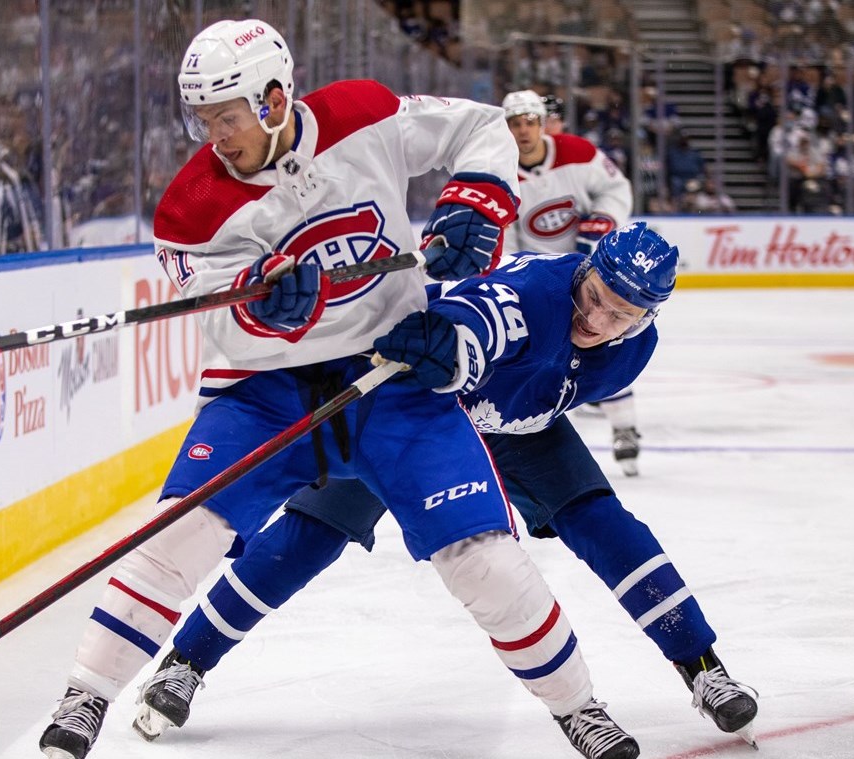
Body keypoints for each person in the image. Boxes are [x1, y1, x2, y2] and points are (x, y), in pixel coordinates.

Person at [38, 18, 638, 759]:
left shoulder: (362, 114)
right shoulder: (189, 209)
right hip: (265, 388)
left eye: (227, 115)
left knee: (483, 555)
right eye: (203, 118)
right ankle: (85, 696)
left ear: (274, 98)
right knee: (179, 532)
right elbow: (224, 311)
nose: (214, 135)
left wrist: (477, 202)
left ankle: (579, 706)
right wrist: (260, 303)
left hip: (394, 377)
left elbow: (480, 129)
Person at [134, 224, 760, 751]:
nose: (596, 318)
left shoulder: (634, 350)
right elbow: (483, 319)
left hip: (522, 426)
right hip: (423, 416)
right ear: (585, 269)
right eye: (594, 295)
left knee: (605, 524)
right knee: (309, 536)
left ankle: (704, 669)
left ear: (646, 318)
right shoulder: (536, 292)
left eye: (620, 314)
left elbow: (565, 377)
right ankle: (185, 663)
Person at [499, 90, 644, 476]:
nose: (523, 131)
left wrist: (604, 219)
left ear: (542, 122)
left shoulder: (577, 152)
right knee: (550, 355)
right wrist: (521, 274)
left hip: (597, 275)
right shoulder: (498, 168)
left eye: (530, 122)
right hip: (546, 281)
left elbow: (616, 188)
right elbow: (505, 236)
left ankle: (624, 426)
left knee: (608, 345)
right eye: (515, 124)